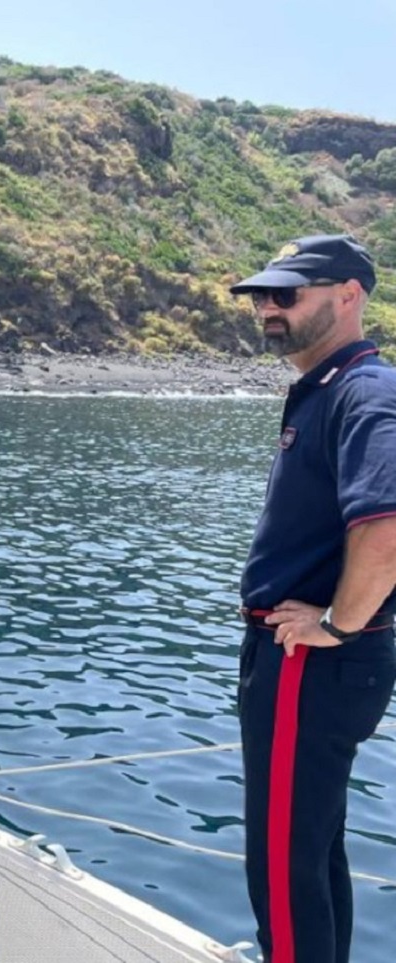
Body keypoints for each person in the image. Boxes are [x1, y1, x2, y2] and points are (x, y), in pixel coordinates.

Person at [230, 234, 396, 963]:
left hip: (310, 662)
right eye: (262, 294)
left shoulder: (363, 390)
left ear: (348, 295)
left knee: (283, 867)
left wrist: (337, 623)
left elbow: (386, 527)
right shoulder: (329, 387)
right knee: (313, 850)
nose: (268, 306)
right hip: (312, 660)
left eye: (287, 293)